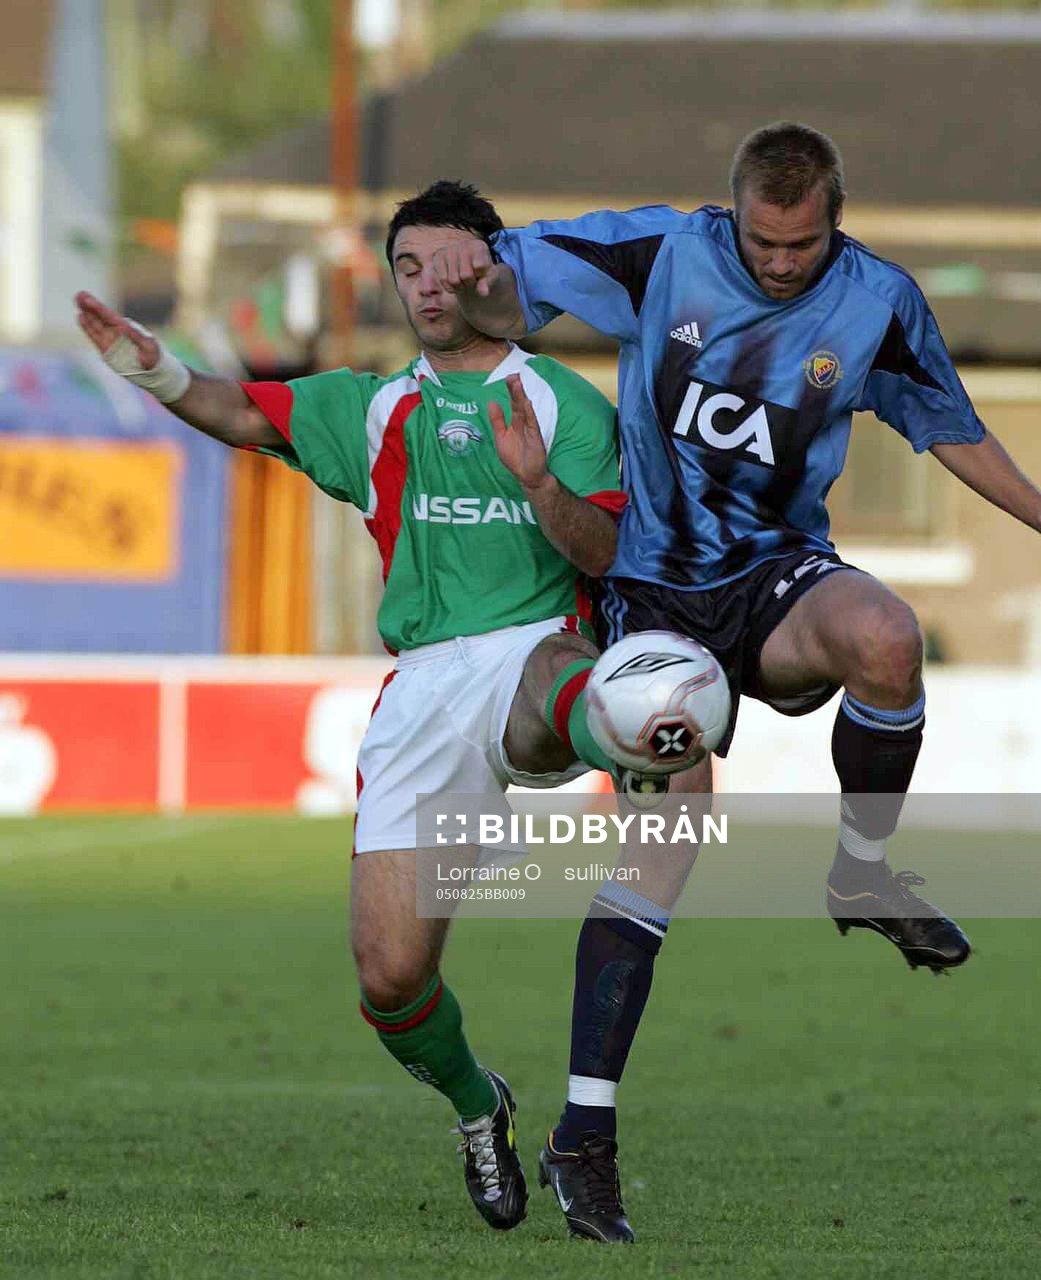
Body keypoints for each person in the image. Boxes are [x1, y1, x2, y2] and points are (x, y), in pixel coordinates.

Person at [433, 122, 1041, 1242]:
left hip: (773, 577)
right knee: (669, 843)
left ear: (834, 223)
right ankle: (584, 1132)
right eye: (763, 243)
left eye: (800, 246)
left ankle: (863, 872)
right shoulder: (663, 254)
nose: (778, 264)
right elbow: (507, 293)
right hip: (654, 592)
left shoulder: (878, 302)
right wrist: (470, 280)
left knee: (888, 638)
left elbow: (951, 429)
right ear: (735, 214)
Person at [75, 179, 645, 1236]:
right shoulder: (374, 407)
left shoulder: (566, 403)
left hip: (540, 655)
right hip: (424, 686)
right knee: (390, 979)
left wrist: (538, 487)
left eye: (452, 264)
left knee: (580, 689)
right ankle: (482, 1105)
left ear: (495, 272)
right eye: (409, 267)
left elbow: (607, 552)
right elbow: (242, 409)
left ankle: (632, 736)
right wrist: (143, 364)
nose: (431, 285)